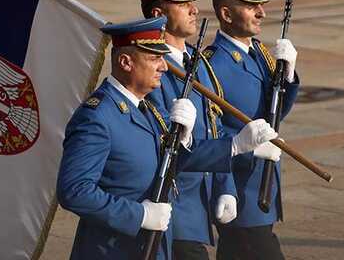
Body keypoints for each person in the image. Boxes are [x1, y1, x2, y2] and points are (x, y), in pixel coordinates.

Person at [57, 16, 278, 260]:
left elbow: (175, 160)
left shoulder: (146, 109)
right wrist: (138, 215)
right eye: (154, 59)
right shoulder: (97, 117)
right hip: (113, 251)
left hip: (157, 246)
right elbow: (74, 191)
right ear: (126, 62)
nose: (163, 66)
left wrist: (234, 146)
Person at [129, 0, 278, 260]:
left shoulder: (196, 62)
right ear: (158, 13)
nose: (194, 10)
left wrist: (226, 186)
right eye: (183, 4)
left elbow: (214, 127)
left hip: (199, 205)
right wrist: (235, 147)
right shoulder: (152, 72)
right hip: (174, 205)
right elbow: (165, 147)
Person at [200, 0, 300, 260]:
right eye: (251, 6)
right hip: (239, 188)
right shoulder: (213, 64)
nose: (262, 12)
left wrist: (288, 77)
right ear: (226, 14)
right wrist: (249, 149)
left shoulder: (258, 53)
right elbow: (210, 133)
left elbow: (275, 113)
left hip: (261, 187)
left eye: (261, 4)